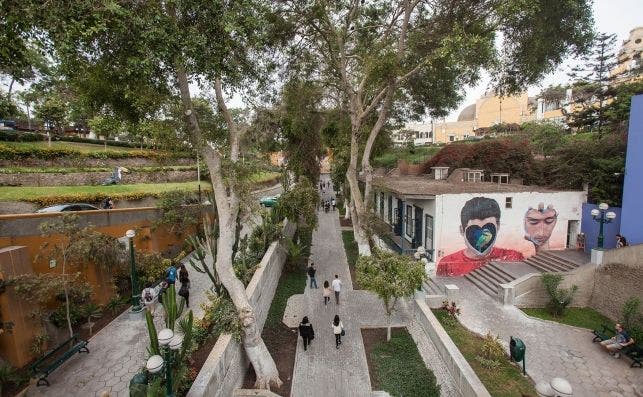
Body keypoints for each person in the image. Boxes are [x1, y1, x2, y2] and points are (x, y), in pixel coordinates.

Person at [438, 197, 524, 276]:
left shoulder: (513, 258)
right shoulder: (447, 264)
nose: (481, 238)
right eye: (474, 232)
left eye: (489, 229)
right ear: (462, 230)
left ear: (498, 227)